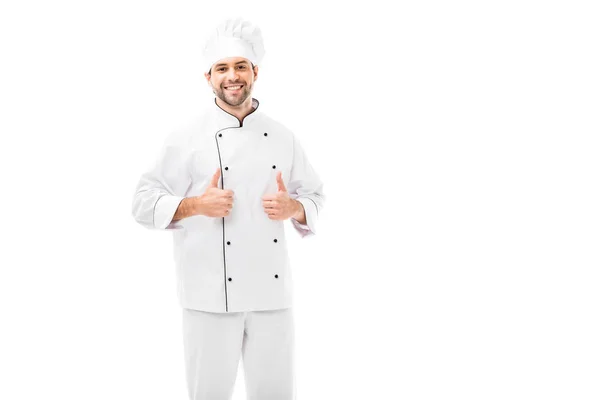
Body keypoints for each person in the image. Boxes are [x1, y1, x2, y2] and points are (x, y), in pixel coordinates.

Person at [131, 17, 325, 400]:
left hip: (272, 299)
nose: (232, 76)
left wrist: (294, 208)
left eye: (240, 66)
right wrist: (195, 205)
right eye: (222, 68)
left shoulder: (283, 137)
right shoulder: (186, 137)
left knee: (276, 394)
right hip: (207, 296)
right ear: (208, 77)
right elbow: (141, 201)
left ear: (255, 71)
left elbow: (315, 196)